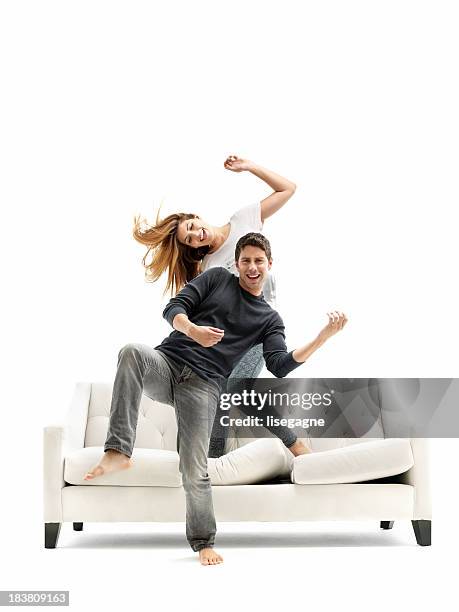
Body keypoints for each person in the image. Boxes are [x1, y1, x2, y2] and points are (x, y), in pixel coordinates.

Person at [84, 232, 348, 565]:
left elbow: (280, 365)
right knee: (132, 352)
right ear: (236, 264)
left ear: (269, 264)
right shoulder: (217, 279)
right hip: (167, 365)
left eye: (258, 261)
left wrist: (321, 338)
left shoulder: (269, 319)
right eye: (246, 261)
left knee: (195, 468)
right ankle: (118, 451)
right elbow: (174, 307)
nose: (252, 267)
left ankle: (203, 542)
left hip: (204, 386)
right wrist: (193, 330)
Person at [132, 155, 310, 458]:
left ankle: (289, 446)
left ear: (196, 217)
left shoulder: (243, 220)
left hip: (258, 328)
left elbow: (288, 189)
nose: (195, 234)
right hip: (227, 340)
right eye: (189, 239)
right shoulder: (208, 267)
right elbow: (189, 306)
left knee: (233, 391)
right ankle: (215, 466)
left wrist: (250, 167)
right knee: (222, 392)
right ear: (192, 248)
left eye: (192, 226)